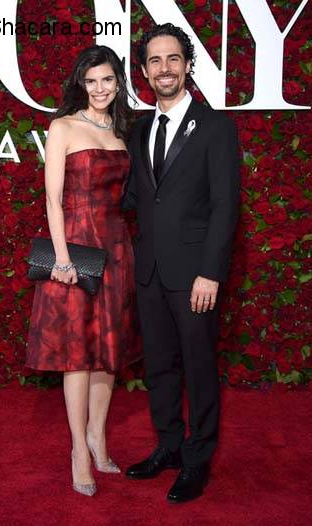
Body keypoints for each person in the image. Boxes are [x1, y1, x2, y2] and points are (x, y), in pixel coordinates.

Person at [123, 23, 240, 503]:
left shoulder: (216, 127)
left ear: (188, 65)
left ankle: (197, 459)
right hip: (149, 270)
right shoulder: (140, 128)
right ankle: (168, 446)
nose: (164, 68)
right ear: (145, 72)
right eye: (155, 61)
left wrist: (210, 270)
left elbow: (225, 206)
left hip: (195, 274)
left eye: (173, 59)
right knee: (160, 367)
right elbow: (134, 197)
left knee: (197, 367)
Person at [26, 45, 141, 497]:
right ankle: (78, 448)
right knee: (76, 352)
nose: (100, 88)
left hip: (116, 247)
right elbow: (52, 199)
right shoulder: (62, 127)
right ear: (80, 83)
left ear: (118, 83)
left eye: (108, 80)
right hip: (73, 246)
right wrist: (61, 259)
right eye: (91, 81)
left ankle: (98, 435)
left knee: (106, 351)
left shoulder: (121, 131)